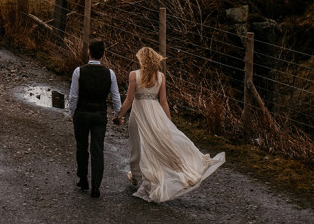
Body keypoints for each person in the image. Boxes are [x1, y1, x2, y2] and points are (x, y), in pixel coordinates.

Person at [114, 46, 225, 202]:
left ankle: (137, 175)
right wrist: (168, 121)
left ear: (141, 60)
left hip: (139, 114)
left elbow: (129, 99)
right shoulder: (161, 77)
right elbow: (164, 102)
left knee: (138, 146)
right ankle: (146, 174)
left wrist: (119, 114)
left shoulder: (134, 75)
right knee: (156, 146)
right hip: (156, 113)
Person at [68, 39, 122, 198]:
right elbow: (116, 97)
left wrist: (73, 113)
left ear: (89, 53)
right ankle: (96, 186)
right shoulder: (110, 73)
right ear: (103, 55)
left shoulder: (79, 71)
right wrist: (117, 114)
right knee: (98, 149)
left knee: (81, 146)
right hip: (99, 115)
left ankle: (83, 178)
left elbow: (73, 96)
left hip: (82, 113)